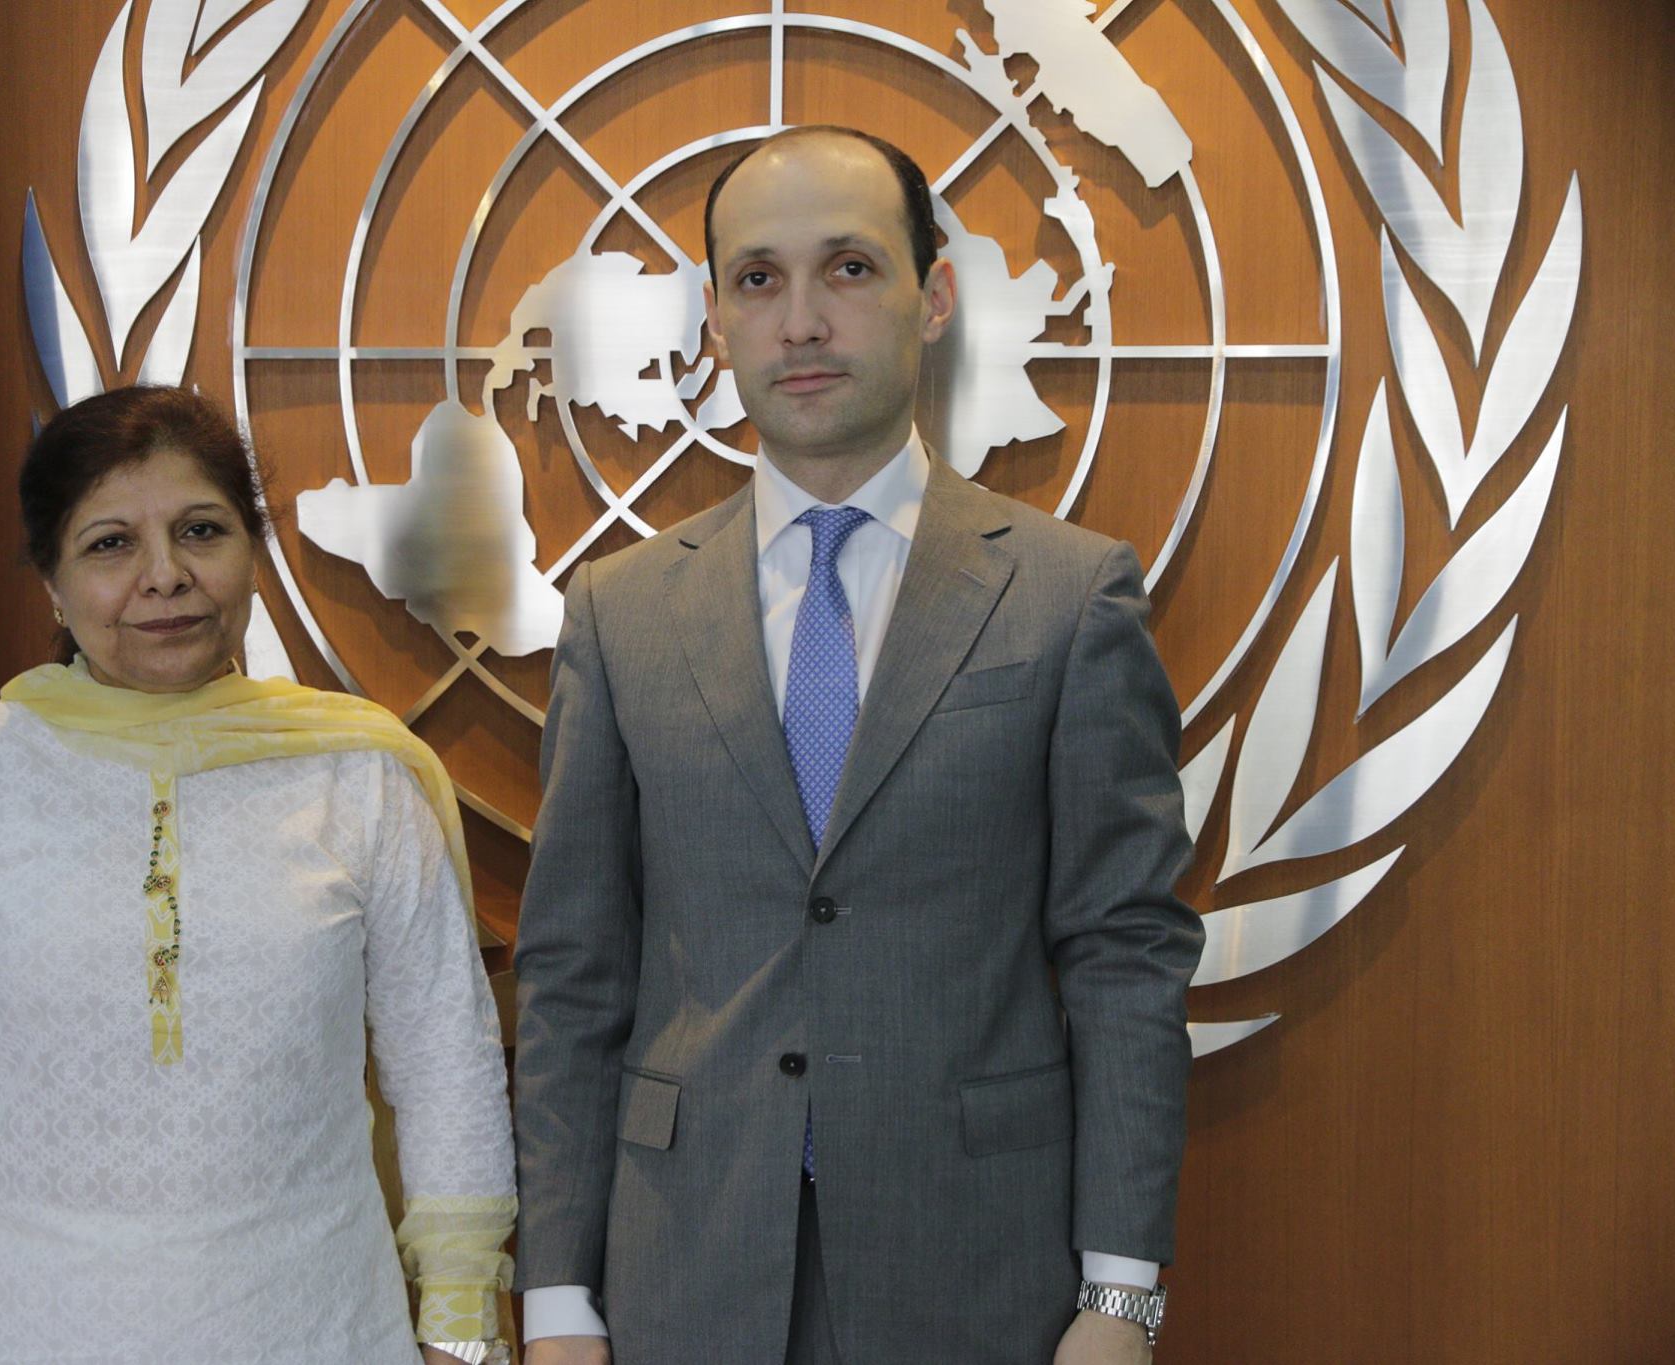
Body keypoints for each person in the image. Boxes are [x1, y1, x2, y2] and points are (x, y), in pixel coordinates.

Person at [511, 127, 1203, 1365]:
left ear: (931, 297)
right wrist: (556, 1298)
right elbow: (574, 973)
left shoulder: (1065, 594)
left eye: (848, 268)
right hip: (682, 1266)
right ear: (715, 322)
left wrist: (1121, 1296)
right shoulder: (620, 612)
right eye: (756, 280)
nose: (800, 322)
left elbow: (1123, 953)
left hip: (979, 1270)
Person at [0, 386, 515, 1364]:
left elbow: (446, 1062)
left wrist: (459, 1321)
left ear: (252, 553)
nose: (164, 576)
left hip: (311, 1327)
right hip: (5, 1330)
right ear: (52, 583)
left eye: (200, 531)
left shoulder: (357, 776)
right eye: (110, 544)